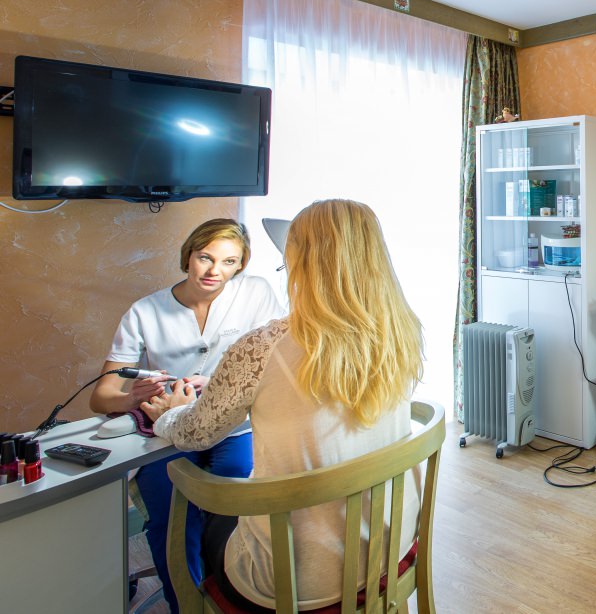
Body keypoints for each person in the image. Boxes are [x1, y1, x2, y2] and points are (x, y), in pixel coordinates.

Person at [143, 199, 425, 610]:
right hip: (389, 548)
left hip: (297, 581)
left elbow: (195, 434)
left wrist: (168, 413)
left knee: (205, 515)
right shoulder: (400, 329)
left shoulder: (263, 347)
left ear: (300, 264)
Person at [90, 218, 284, 613]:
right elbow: (101, 397)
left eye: (229, 262)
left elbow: (278, 360)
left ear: (241, 265)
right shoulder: (146, 311)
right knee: (170, 522)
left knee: (234, 510)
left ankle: (232, 600)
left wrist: (218, 382)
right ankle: (187, 604)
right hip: (170, 432)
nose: (215, 271)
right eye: (205, 258)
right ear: (188, 256)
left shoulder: (256, 293)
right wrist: (132, 398)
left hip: (234, 430)